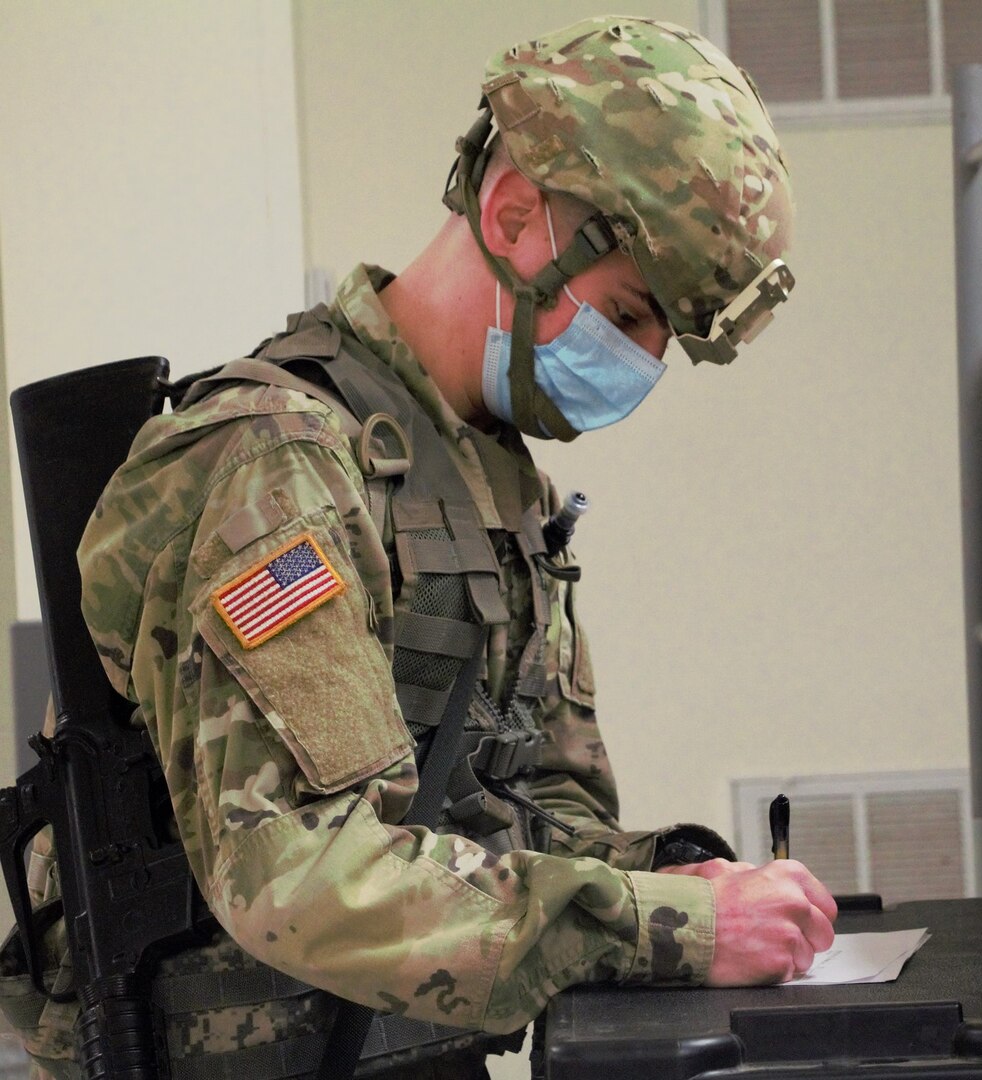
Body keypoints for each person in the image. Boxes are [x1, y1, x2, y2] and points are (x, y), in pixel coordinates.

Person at [0, 14, 835, 1080]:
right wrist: (661, 928)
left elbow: (506, 815)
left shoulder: (487, 479)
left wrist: (669, 877)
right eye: (626, 315)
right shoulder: (280, 469)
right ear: (513, 210)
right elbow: (300, 877)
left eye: (660, 339)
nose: (636, 366)